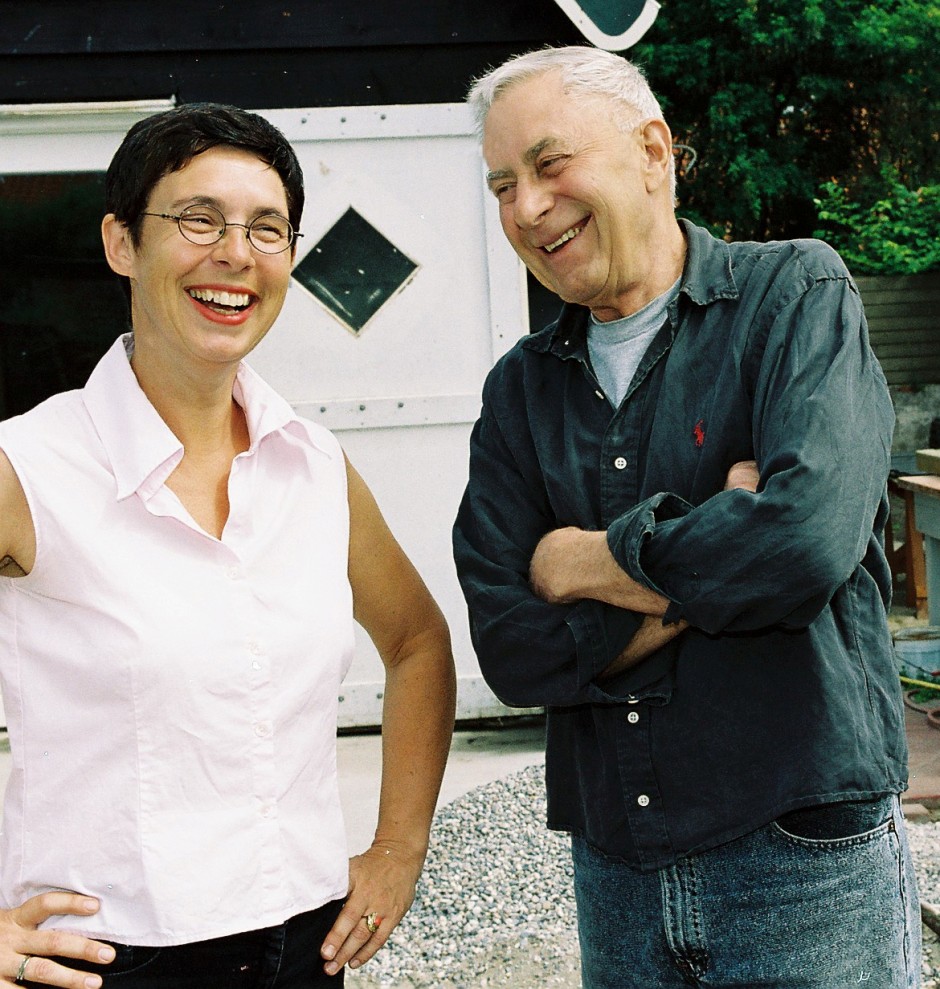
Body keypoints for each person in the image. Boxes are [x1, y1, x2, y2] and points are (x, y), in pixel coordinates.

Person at [452, 45, 921, 988]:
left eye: (550, 166)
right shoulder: (519, 391)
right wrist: (718, 540)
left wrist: (581, 561)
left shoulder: (793, 294)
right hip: (616, 867)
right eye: (503, 185)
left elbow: (802, 544)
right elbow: (511, 650)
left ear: (653, 150)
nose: (526, 208)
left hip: (804, 858)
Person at [0, 103, 456, 988]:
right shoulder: (30, 467)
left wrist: (398, 846)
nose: (235, 255)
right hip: (107, 962)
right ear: (121, 242)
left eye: (266, 228)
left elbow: (417, 643)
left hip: (301, 950)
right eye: (198, 218)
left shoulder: (315, 465)